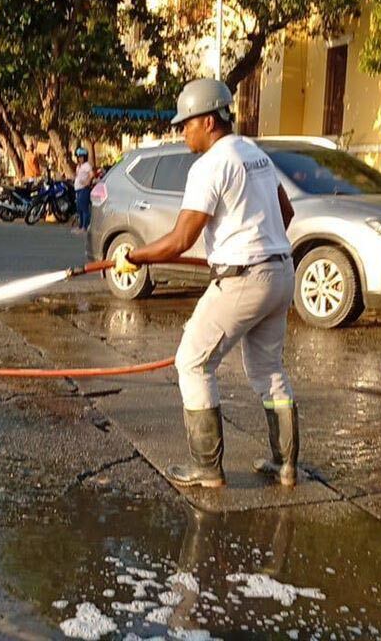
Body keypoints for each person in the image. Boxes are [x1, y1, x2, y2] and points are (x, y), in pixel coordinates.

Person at [113, 78, 298, 489]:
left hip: (243, 279)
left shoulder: (211, 165)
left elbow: (181, 238)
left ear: (209, 121)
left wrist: (133, 257)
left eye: (187, 124)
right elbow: (285, 211)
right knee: (268, 369)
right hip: (281, 271)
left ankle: (207, 469)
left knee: (193, 363)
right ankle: (285, 465)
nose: (183, 132)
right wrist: (256, 242)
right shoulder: (255, 154)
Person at [72, 147, 94, 233]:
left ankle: (85, 227)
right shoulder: (79, 166)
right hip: (78, 189)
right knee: (79, 208)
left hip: (84, 189)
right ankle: (80, 226)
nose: (80, 159)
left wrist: (87, 182)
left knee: (84, 208)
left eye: (81, 157)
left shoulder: (87, 165)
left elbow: (91, 174)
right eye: (78, 157)